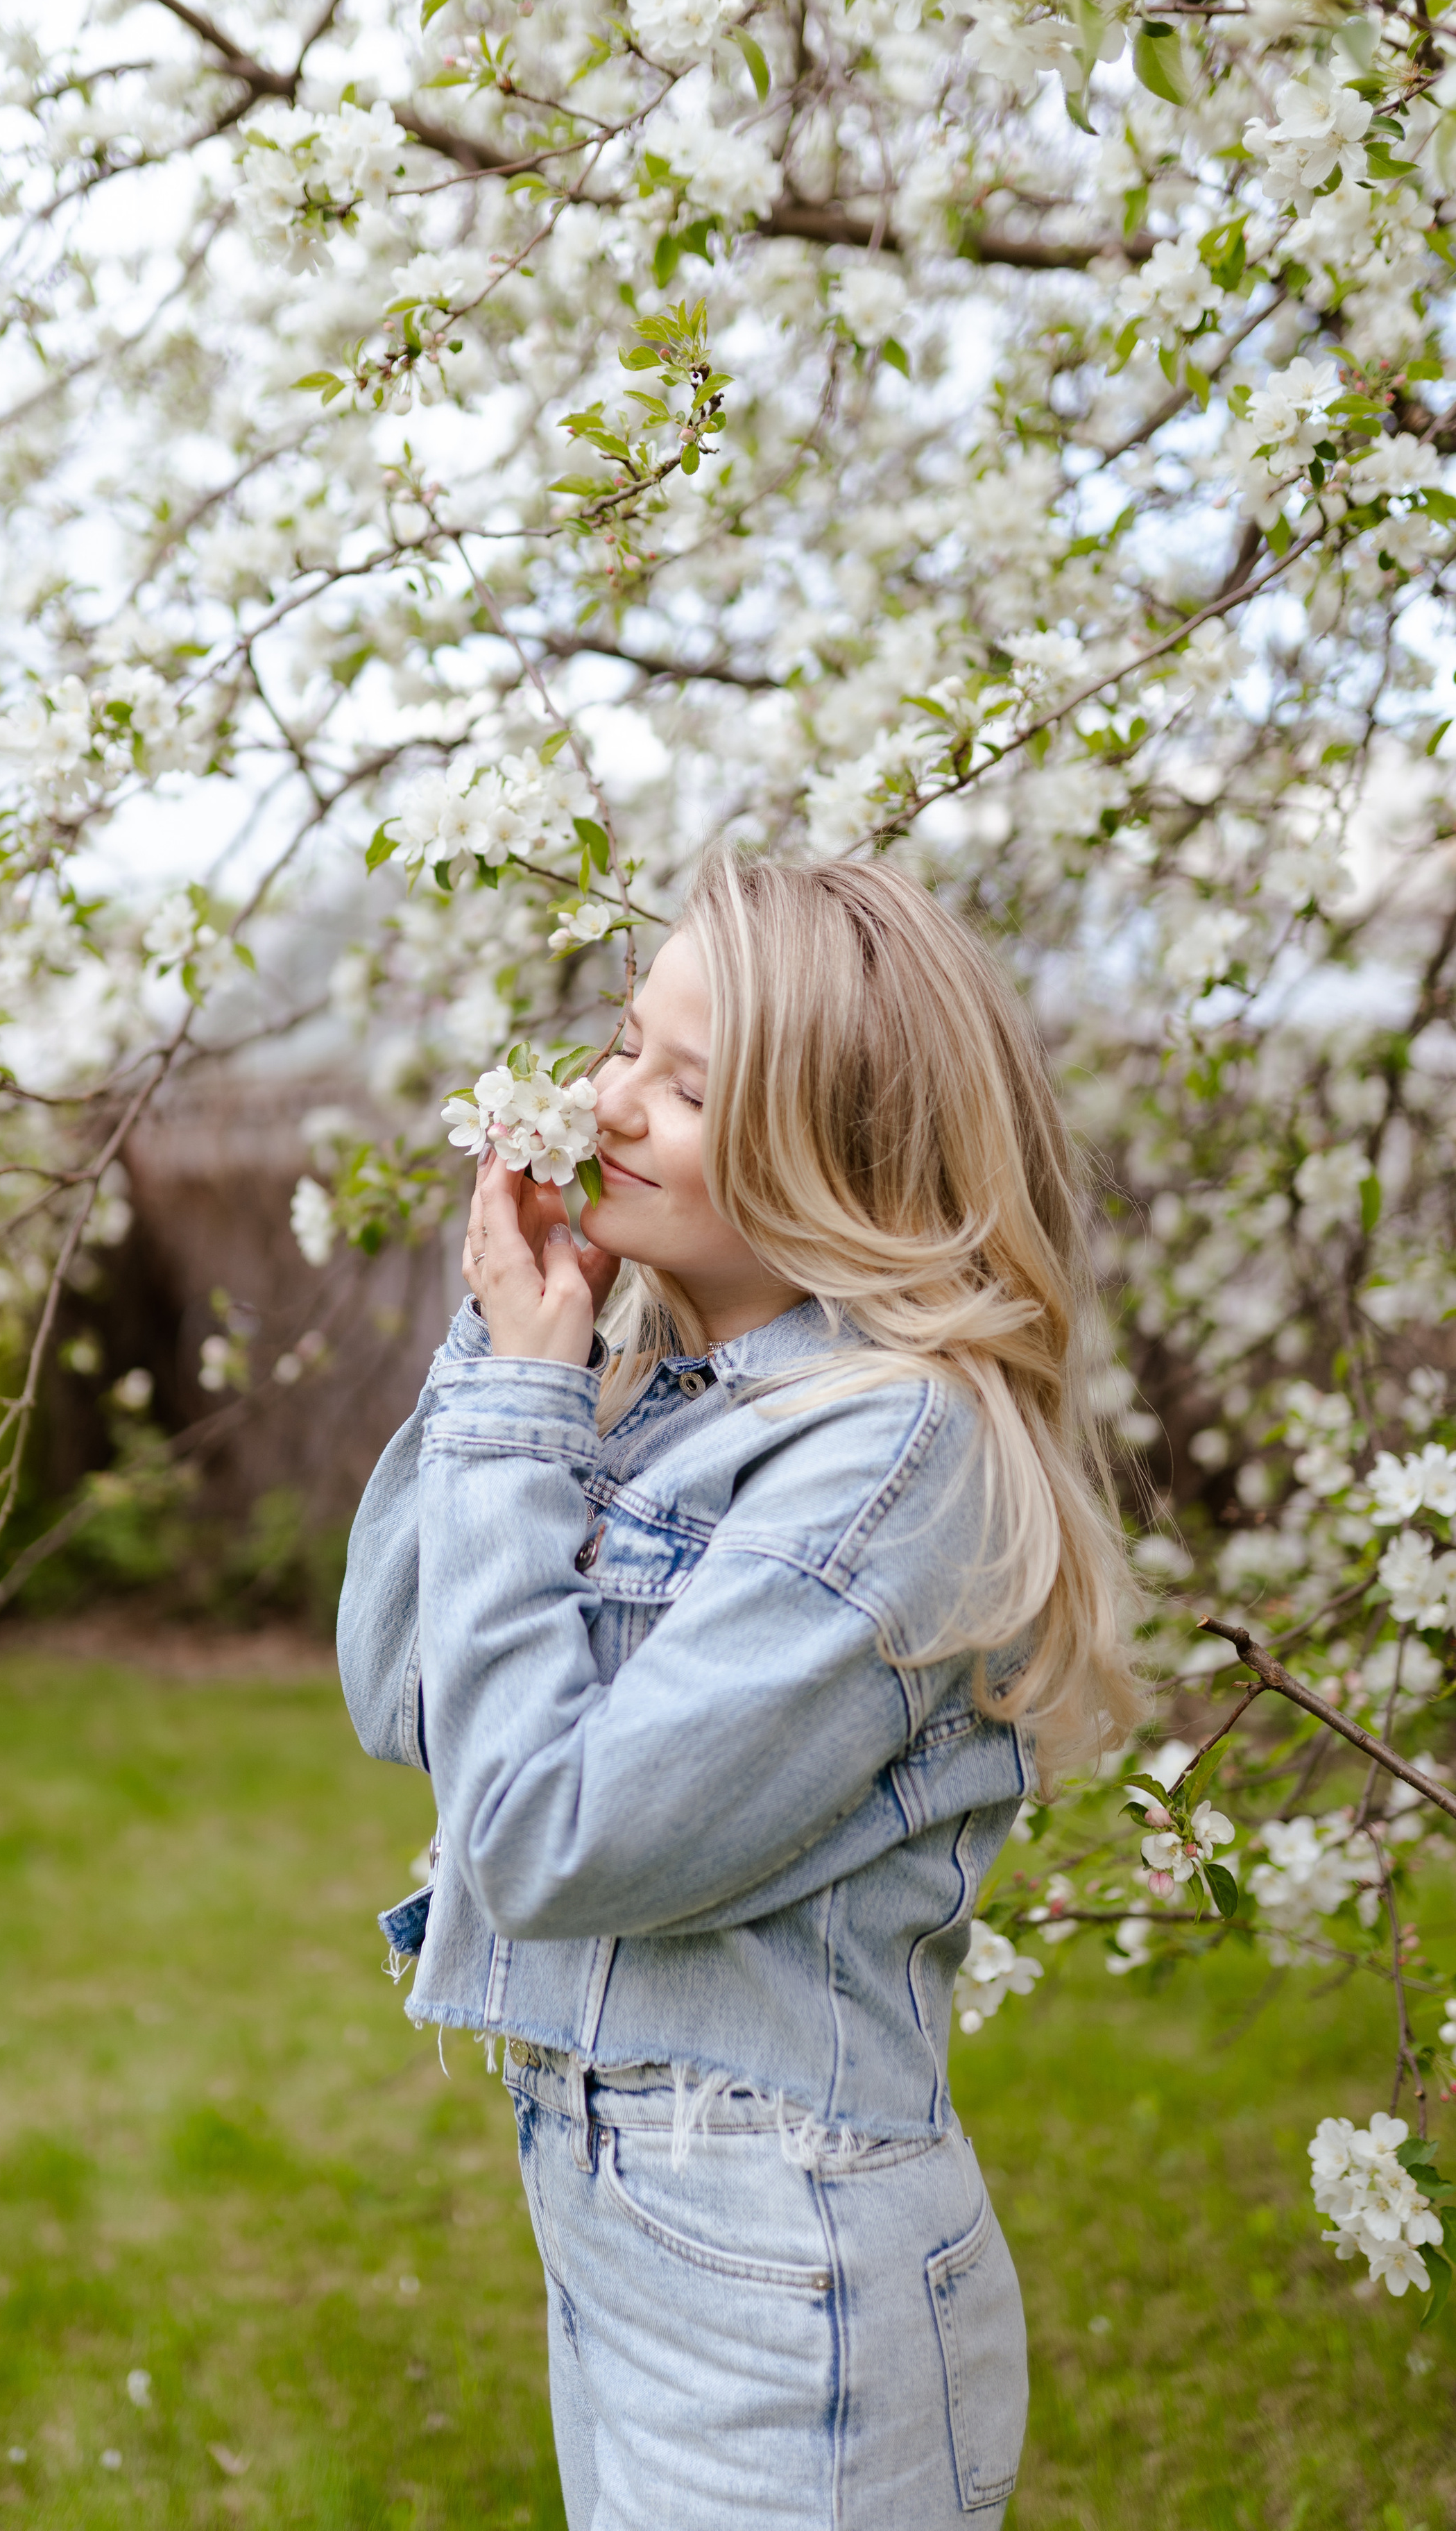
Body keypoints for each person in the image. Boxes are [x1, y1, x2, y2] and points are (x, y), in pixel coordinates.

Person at [337, 851, 1142, 2529]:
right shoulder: (640, 1395)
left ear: (829, 1152)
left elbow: (548, 1843)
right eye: (623, 1043)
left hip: (779, 2268)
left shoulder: (891, 1450)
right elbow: (403, 1689)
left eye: (687, 1086)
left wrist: (524, 1408)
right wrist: (509, 1364)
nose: (608, 1102)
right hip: (637, 2222)